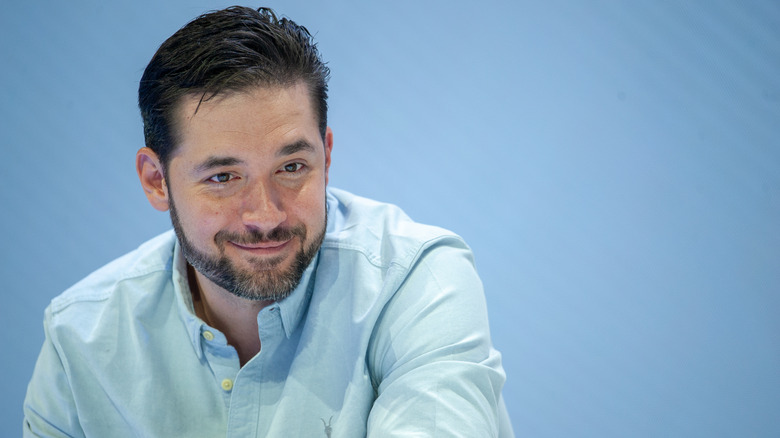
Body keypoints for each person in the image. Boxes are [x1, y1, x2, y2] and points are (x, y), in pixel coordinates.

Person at [23, 6, 512, 437]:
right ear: (156, 180)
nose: (266, 216)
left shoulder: (416, 282)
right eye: (223, 177)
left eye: (292, 168)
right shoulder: (80, 339)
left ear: (327, 156)